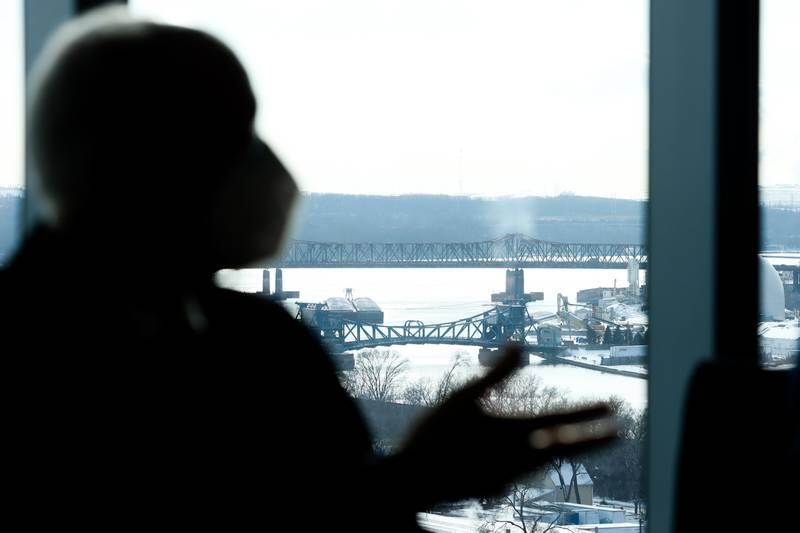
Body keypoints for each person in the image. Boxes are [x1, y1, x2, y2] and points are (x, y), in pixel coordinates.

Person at [1, 7, 616, 530]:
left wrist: (408, 481)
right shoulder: (267, 354)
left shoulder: (267, 344)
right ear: (154, 160)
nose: (267, 164)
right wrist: (414, 480)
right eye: (239, 136)